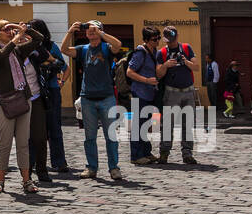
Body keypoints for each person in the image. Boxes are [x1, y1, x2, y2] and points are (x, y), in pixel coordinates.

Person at [0, 20, 44, 194]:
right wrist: (17, 37)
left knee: (23, 142)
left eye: (11, 29)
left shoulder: (18, 49)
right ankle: (0, 180)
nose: (10, 32)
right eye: (6, 29)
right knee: (4, 144)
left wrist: (23, 29)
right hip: (5, 102)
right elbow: (2, 54)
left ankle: (27, 180)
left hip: (23, 99)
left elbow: (38, 40)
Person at [64, 21, 123, 181]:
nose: (90, 31)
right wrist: (70, 32)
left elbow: (118, 45)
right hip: (87, 98)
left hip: (107, 97)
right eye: (88, 29)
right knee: (89, 136)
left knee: (110, 136)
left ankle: (114, 168)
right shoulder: (83, 49)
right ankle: (91, 167)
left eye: (93, 29)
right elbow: (64, 50)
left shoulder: (106, 48)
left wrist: (101, 33)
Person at [27, 18, 69, 178]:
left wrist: (61, 82)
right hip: (33, 91)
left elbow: (63, 66)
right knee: (34, 130)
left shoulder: (51, 47)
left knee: (54, 127)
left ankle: (59, 161)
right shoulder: (27, 47)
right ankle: (32, 163)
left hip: (50, 89)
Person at [155, 25, 200, 165]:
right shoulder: (161, 53)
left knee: (188, 124)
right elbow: (158, 74)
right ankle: (164, 153)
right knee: (168, 125)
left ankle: (187, 153)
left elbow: (196, 67)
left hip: (188, 91)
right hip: (171, 92)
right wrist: (166, 65)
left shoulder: (187, 48)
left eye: (173, 40)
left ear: (177, 37)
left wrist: (185, 61)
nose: (171, 43)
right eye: (168, 40)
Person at [126, 27, 161, 165]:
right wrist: (146, 80)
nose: (157, 41)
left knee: (146, 125)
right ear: (146, 40)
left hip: (149, 93)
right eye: (154, 39)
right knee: (137, 125)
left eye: (158, 38)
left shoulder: (154, 52)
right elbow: (130, 72)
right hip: (139, 92)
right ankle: (136, 156)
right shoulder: (140, 53)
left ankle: (146, 152)